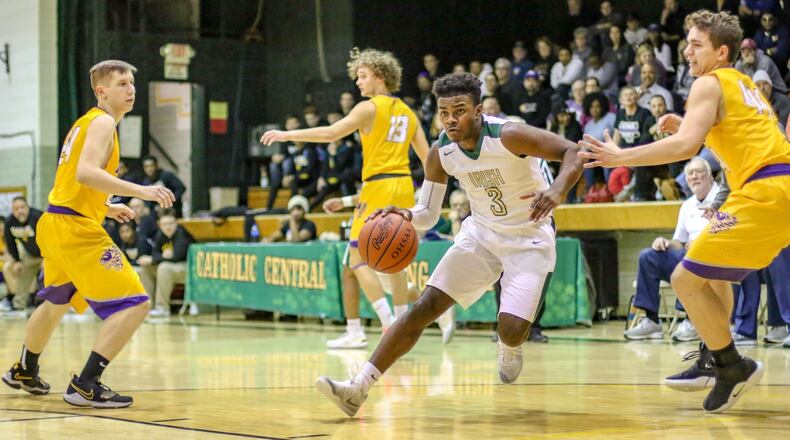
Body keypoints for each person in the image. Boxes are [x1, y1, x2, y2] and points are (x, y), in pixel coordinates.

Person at [315, 72, 583, 417]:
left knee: (512, 329)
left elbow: (573, 151)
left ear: (479, 110)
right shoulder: (441, 151)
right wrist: (406, 215)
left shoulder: (509, 134)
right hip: (481, 235)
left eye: (459, 111)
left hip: (529, 237)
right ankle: (358, 388)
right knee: (424, 307)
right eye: (444, 112)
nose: (451, 119)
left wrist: (557, 191)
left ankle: (509, 345)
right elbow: (428, 213)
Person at [580, 10, 790, 413]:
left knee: (683, 279)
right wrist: (698, 126)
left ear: (721, 52)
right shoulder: (744, 83)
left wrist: (621, 155)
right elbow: (743, 136)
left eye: (696, 44)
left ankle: (731, 366)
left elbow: (683, 148)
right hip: (777, 190)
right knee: (711, 274)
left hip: (762, 193)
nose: (687, 51)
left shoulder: (708, 83)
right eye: (687, 43)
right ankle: (714, 354)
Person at [2, 60, 175, 408]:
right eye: (122, 83)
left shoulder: (85, 123)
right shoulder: (103, 122)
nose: (131, 89)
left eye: (132, 83)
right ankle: (85, 383)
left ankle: (25, 369)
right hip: (75, 230)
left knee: (56, 301)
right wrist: (141, 191)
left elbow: (72, 179)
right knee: (136, 303)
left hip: (56, 221)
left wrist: (104, 207)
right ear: (101, 91)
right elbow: (85, 172)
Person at [261, 48, 430, 348]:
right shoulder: (407, 111)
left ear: (380, 76)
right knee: (396, 260)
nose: (358, 83)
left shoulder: (368, 108)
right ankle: (401, 320)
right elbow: (428, 159)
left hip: (377, 186)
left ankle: (389, 322)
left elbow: (330, 134)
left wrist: (287, 135)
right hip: (403, 185)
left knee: (356, 258)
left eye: (363, 76)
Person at [624, 157, 719, 341]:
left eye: (698, 172)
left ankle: (693, 320)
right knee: (648, 256)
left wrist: (700, 243)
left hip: (714, 259)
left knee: (691, 256)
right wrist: (665, 242)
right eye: (690, 174)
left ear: (710, 176)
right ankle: (652, 321)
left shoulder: (721, 198)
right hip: (688, 257)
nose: (694, 176)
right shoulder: (687, 205)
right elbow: (679, 242)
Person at [2, 197, 44, 313]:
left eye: (22, 207)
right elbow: (10, 243)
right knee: (22, 273)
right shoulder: (10, 222)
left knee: (51, 276)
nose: (20, 211)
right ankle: (18, 305)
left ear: (27, 207)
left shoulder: (38, 216)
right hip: (30, 254)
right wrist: (17, 260)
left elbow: (51, 237)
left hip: (47, 254)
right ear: (12, 210)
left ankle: (54, 305)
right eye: (16, 209)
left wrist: (48, 258)